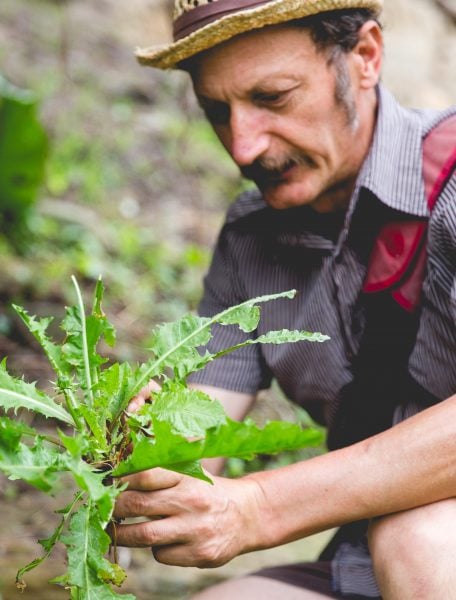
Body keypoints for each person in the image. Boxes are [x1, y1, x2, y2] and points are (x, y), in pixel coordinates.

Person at [113, 1, 456, 598]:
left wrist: (262, 507)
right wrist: (151, 453)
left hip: (424, 547)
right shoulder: (251, 241)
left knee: (417, 537)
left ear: (366, 57)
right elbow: (198, 436)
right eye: (218, 112)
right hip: (365, 562)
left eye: (273, 97)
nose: (244, 148)